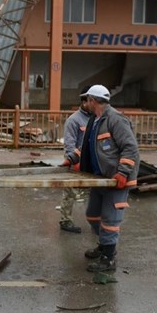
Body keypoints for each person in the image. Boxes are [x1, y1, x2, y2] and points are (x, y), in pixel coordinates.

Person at [62, 84, 139, 272]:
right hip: (99, 179)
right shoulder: (95, 121)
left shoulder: (115, 119)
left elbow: (130, 148)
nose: (85, 103)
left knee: (110, 221)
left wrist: (122, 173)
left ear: (93, 101)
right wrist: (71, 158)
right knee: (92, 215)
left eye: (87, 99)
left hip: (116, 180)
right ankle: (104, 245)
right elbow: (87, 147)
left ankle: (108, 258)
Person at [57, 87, 93, 233]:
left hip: (91, 163)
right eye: (91, 101)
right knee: (70, 192)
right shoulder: (74, 120)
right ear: (84, 102)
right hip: (75, 161)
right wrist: (73, 162)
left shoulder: (96, 118)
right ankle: (65, 220)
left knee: (93, 192)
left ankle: (95, 219)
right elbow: (69, 145)